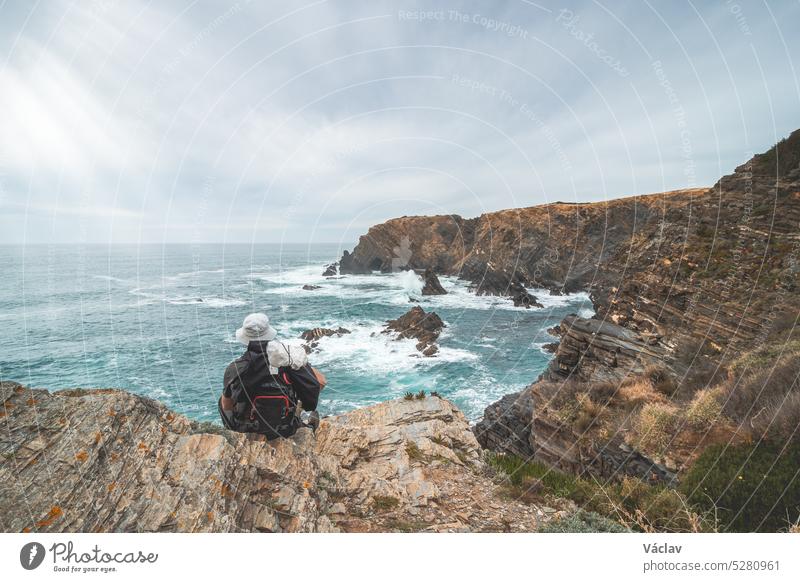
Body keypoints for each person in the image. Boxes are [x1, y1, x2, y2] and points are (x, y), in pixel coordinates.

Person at [219, 312, 326, 439]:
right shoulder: (287, 362)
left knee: (222, 400)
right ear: (268, 334)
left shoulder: (234, 368)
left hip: (248, 429)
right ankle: (299, 418)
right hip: (285, 429)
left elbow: (227, 406)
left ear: (245, 337)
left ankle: (233, 436)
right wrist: (300, 362)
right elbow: (321, 381)